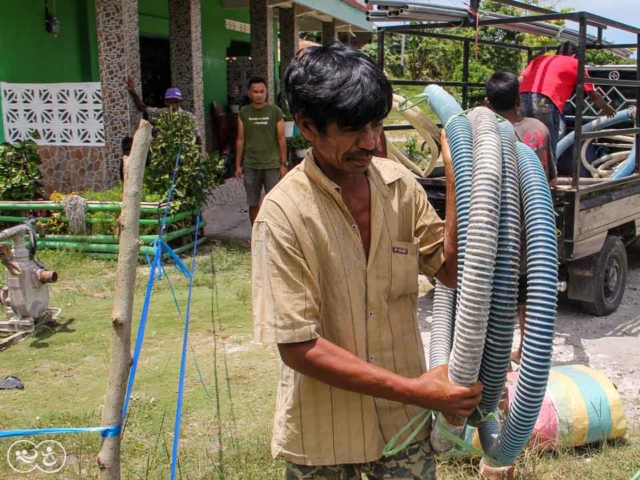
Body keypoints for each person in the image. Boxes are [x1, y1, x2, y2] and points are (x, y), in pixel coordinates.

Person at [252, 40, 482, 479]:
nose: (371, 142)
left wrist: (458, 177)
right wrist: (417, 391)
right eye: (353, 129)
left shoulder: (401, 186)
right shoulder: (283, 215)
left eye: (376, 125)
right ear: (307, 126)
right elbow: (298, 348)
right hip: (323, 436)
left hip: (402, 424)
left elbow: (452, 270)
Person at [486, 71, 556, 365]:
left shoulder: (483, 133)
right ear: (519, 99)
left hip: (494, 225)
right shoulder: (539, 129)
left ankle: (493, 357)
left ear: (487, 103)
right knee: (529, 290)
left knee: (494, 290)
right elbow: (551, 178)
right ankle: (526, 349)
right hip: (532, 225)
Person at [519, 41, 615, 155]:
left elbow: (520, 79)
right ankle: (547, 172)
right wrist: (605, 107)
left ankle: (522, 170)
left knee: (522, 137)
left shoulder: (540, 59)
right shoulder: (575, 63)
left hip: (522, 98)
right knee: (547, 140)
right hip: (543, 102)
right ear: (574, 56)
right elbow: (592, 94)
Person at [235, 76, 287, 227]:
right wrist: (238, 164)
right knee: (253, 202)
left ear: (266, 92)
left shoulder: (275, 111)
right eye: (255, 92)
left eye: (261, 91)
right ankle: (255, 234)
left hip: (272, 164)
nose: (258, 95)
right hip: (251, 165)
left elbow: (281, 139)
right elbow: (240, 139)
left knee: (275, 202)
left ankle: (275, 233)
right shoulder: (244, 113)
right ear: (249, 93)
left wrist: (283, 164)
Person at [126, 77, 202, 146]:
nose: (173, 105)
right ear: (166, 102)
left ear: (180, 102)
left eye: (176, 102)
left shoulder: (189, 117)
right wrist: (133, 93)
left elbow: (197, 137)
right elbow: (143, 108)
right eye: (170, 102)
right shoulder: (161, 113)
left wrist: (200, 156)